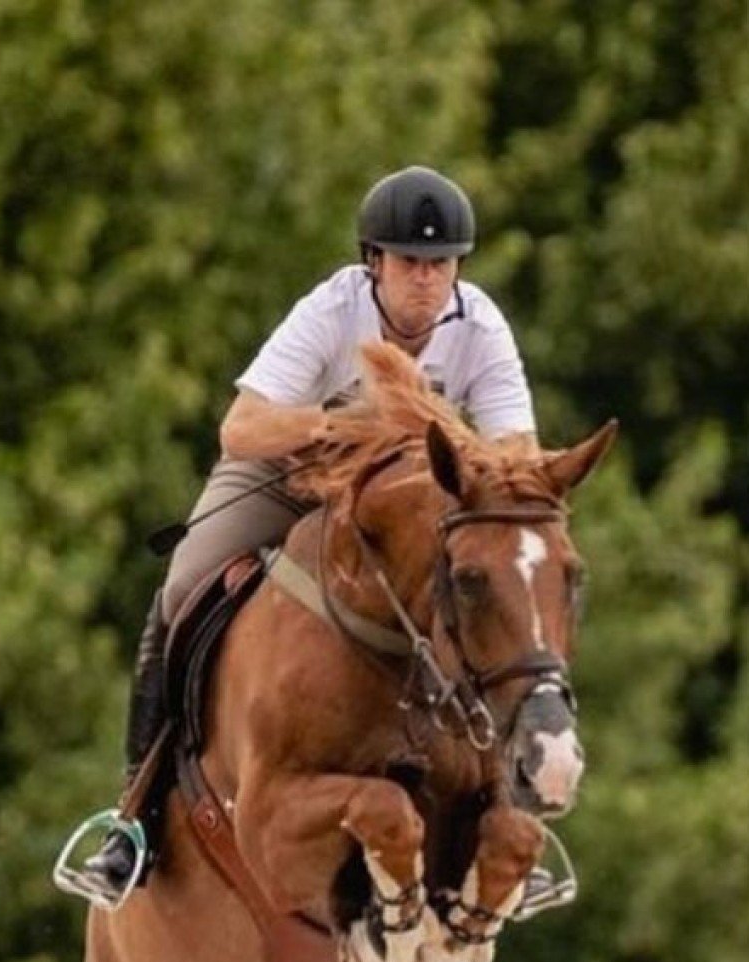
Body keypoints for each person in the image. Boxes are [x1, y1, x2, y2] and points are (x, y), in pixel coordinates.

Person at [60, 165, 539, 909]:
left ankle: (506, 809)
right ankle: (134, 820)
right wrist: (346, 430)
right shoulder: (330, 309)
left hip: (412, 499)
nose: (425, 279)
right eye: (409, 262)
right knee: (184, 581)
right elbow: (242, 428)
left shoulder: (480, 327)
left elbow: (517, 457)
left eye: (441, 263)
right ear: (372, 261)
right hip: (289, 475)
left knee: (504, 591)